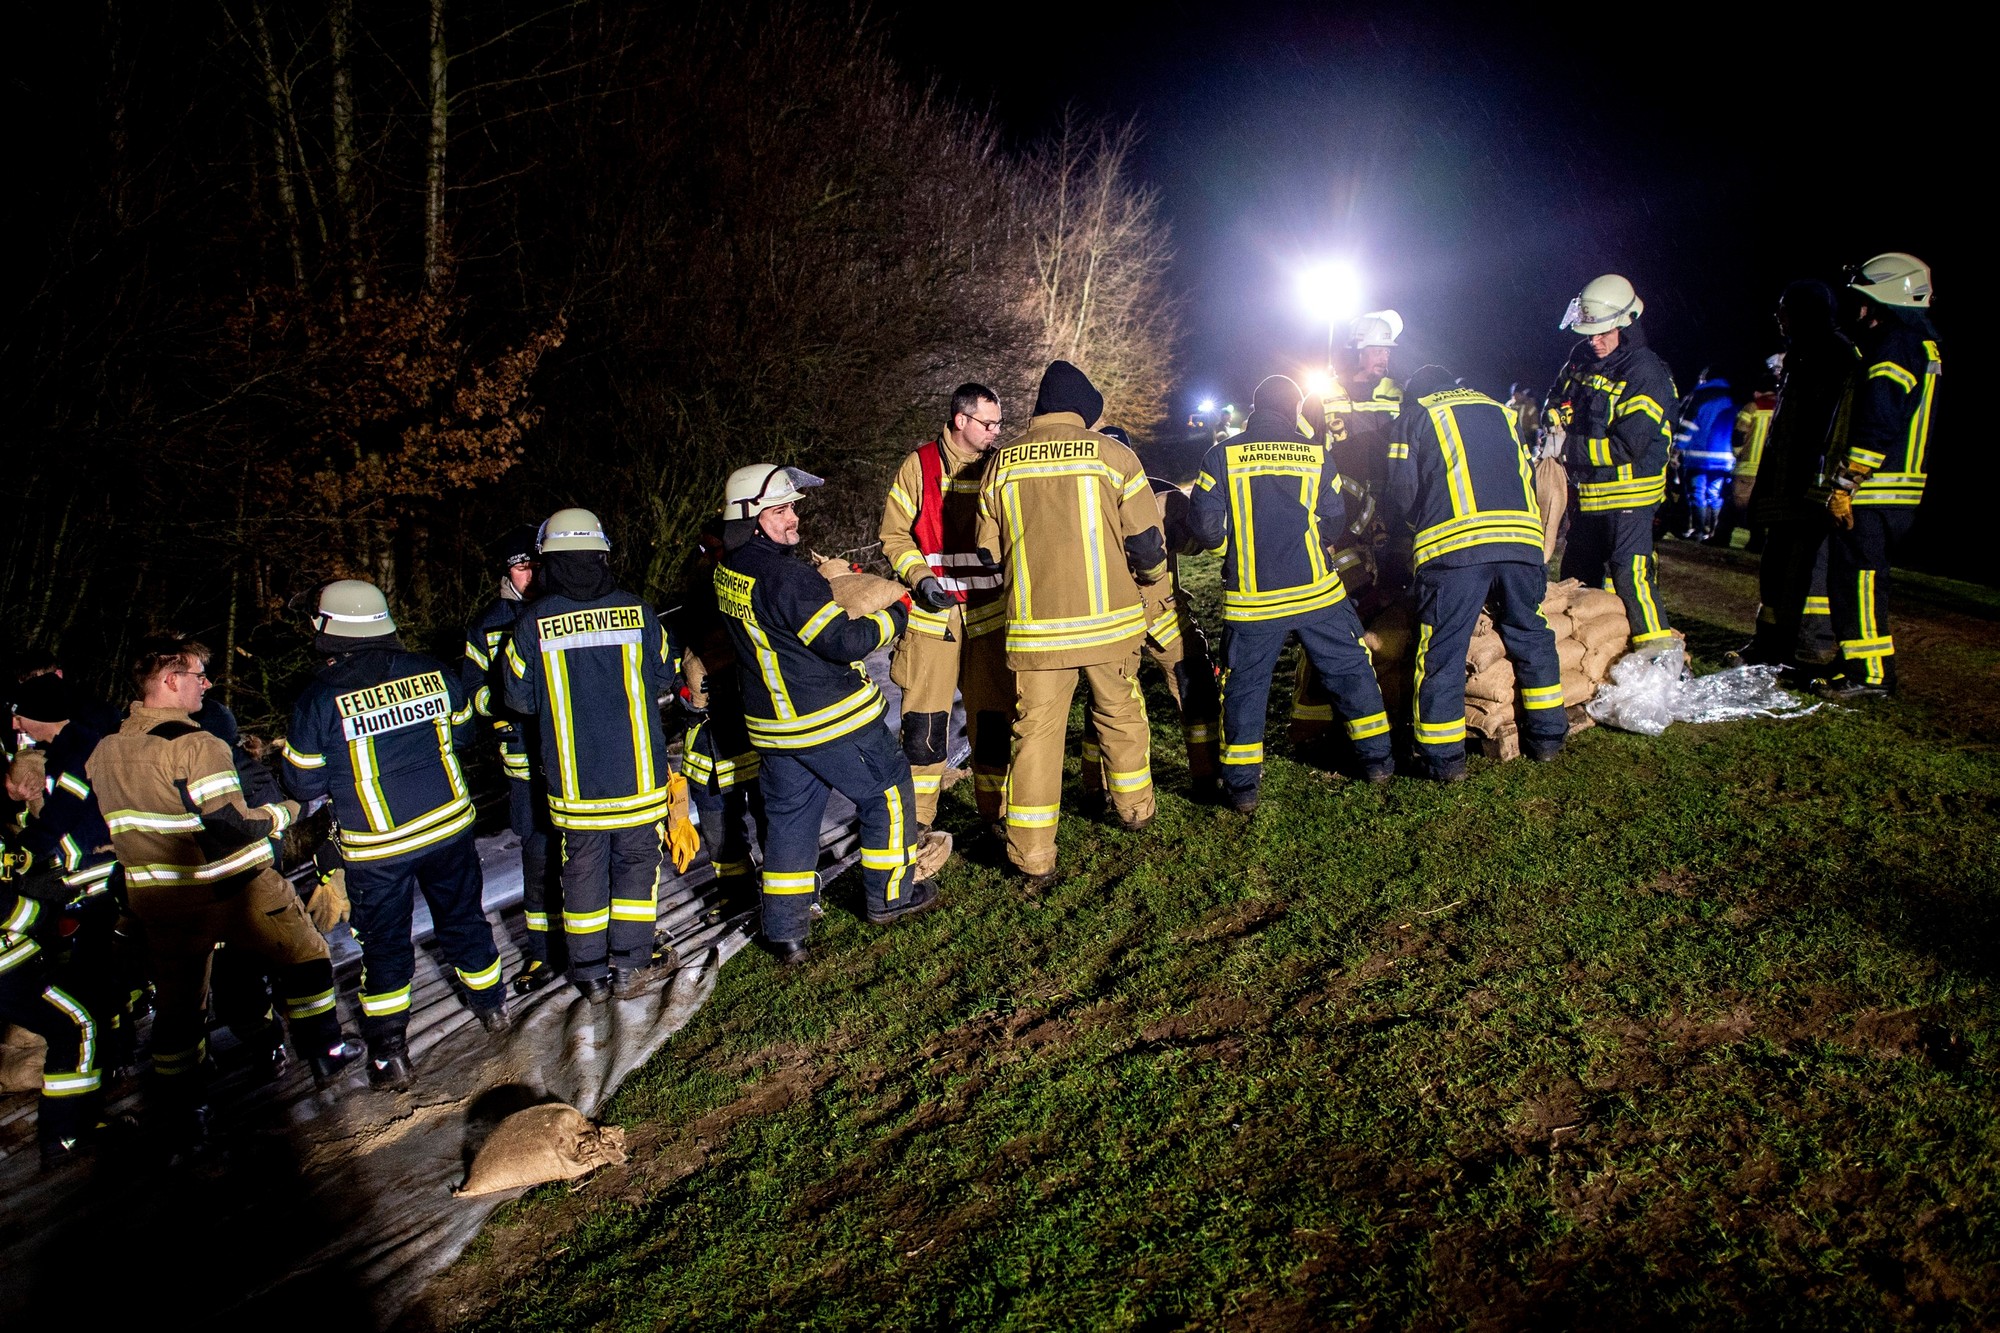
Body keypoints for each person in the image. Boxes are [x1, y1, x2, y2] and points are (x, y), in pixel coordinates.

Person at [89, 636, 360, 1150]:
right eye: (198, 675)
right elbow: (231, 826)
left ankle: (185, 1112)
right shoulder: (198, 745)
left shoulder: (106, 751)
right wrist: (290, 811)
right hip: (237, 890)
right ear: (170, 680)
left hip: (162, 903)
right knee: (306, 958)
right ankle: (326, 1053)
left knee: (179, 1011)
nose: (206, 684)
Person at [285, 580, 506, 1089]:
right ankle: (493, 1009)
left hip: (377, 848)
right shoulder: (431, 669)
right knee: (464, 920)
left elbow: (302, 782)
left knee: (384, 947)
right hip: (448, 827)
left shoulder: (318, 698)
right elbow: (464, 732)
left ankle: (390, 1055)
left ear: (330, 628)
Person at [715, 463, 935, 962]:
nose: (793, 517)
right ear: (749, 517)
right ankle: (891, 897)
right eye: (779, 510)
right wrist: (898, 614)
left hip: (774, 730)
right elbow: (844, 642)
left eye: (792, 507)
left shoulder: (729, 571)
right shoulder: (787, 577)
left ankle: (785, 932)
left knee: (790, 824)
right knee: (888, 792)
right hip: (829, 719)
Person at [974, 362, 1167, 884]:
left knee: (1035, 735)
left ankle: (1032, 855)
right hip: (1110, 626)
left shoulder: (1002, 463)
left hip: (1035, 632)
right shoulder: (1114, 455)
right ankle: (1135, 810)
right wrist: (1150, 580)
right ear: (1085, 410)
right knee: (1119, 714)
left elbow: (988, 554)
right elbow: (1147, 545)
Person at [503, 509, 698, 1002]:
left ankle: (589, 974)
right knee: (637, 864)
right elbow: (664, 675)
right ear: (602, 555)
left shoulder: (530, 623)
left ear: (548, 560)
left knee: (581, 872)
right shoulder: (639, 612)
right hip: (638, 775)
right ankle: (630, 966)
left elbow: (517, 698)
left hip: (574, 785)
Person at [1188, 374, 1394, 811]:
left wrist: (1232, 552)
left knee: (1245, 688)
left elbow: (1205, 527)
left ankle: (1243, 789)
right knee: (1351, 670)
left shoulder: (1220, 455)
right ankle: (1378, 761)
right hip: (1317, 593)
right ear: (1294, 409)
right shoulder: (1316, 454)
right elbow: (1333, 520)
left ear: (1255, 409)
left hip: (1253, 600)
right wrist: (1314, 545)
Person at [1384, 366, 1566, 779]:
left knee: (1442, 647)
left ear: (1415, 393)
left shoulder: (1415, 414)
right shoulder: (1501, 410)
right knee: (1531, 634)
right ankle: (1548, 736)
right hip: (1522, 540)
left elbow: (1401, 493)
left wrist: (1412, 527)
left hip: (1456, 548)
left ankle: (1442, 757)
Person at [877, 383, 1012, 831]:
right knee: (924, 727)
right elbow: (894, 535)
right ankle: (917, 825)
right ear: (961, 420)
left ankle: (996, 814)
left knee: (992, 722)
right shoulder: (918, 466)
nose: (996, 432)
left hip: (988, 619)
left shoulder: (1001, 465)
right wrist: (920, 578)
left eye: (999, 424)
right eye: (988, 423)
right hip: (932, 620)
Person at [1815, 252, 1941, 699]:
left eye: (1866, 301)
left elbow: (1878, 420)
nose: (1860, 310)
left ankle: (1869, 673)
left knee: (1861, 579)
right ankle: (1857, 660)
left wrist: (1846, 483)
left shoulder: (1895, 344)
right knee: (1856, 578)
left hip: (1875, 488)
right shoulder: (1916, 343)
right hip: (1890, 489)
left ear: (1886, 300)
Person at [1079, 428, 1222, 806]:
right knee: (1181, 690)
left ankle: (1098, 787)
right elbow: (1193, 544)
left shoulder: (1081, 501)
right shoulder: (1153, 493)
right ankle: (1204, 777)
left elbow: (1191, 542)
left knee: (1110, 700)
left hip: (1125, 617)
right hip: (1149, 615)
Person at [1545, 274, 1679, 655]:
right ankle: (1593, 658)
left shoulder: (1645, 372)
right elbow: (1557, 397)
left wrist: (1567, 447)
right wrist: (1555, 416)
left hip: (1630, 498)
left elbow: (1626, 446)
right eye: (1590, 333)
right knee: (1577, 579)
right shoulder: (1582, 358)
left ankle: (1658, 660)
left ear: (1627, 324)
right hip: (1588, 496)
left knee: (1630, 575)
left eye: (1603, 332)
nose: (1595, 341)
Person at [1729, 282, 1858, 668]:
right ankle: (1769, 641)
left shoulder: (1836, 353)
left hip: (1812, 487)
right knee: (1776, 564)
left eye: (1784, 309)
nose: (1778, 317)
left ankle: (1811, 647)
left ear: (1805, 312)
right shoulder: (1802, 353)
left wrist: (1829, 484)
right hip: (1784, 483)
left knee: (1810, 570)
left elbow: (1834, 428)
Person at [460, 524, 563, 994]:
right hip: (525, 764)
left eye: (538, 564)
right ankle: (543, 951)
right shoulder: (487, 626)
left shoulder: (564, 609)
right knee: (538, 857)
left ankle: (609, 937)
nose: (532, 574)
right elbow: (472, 696)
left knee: (590, 849)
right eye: (523, 567)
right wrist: (512, 700)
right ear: (506, 574)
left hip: (575, 757)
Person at [669, 519, 767, 903]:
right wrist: (684, 692)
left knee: (773, 817)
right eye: (704, 551)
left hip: (755, 729)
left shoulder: (754, 589)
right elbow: (670, 663)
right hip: (708, 740)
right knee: (718, 826)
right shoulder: (693, 601)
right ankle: (737, 895)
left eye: (714, 550)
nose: (708, 559)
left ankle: (789, 894)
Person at [1322, 310, 1406, 498]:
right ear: (1357, 353)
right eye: (1378, 351)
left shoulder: (1398, 394)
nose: (1384, 358)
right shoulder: (1323, 395)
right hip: (1340, 500)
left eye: (1387, 352)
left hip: (1387, 501)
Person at [1722, 357, 1780, 549]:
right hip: (1769, 470)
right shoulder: (1780, 408)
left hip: (1747, 467)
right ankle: (1756, 541)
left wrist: (1738, 453)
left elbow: (1739, 433)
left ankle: (1722, 536)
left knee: (1732, 503)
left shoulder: (1752, 407)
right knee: (1759, 507)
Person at [1673, 369, 1736, 542]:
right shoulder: (1731, 399)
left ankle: (1699, 530)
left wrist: (1677, 447)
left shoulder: (1700, 396)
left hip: (1698, 457)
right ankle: (1713, 531)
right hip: (1724, 458)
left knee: (1697, 493)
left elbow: (1689, 426)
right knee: (1715, 494)